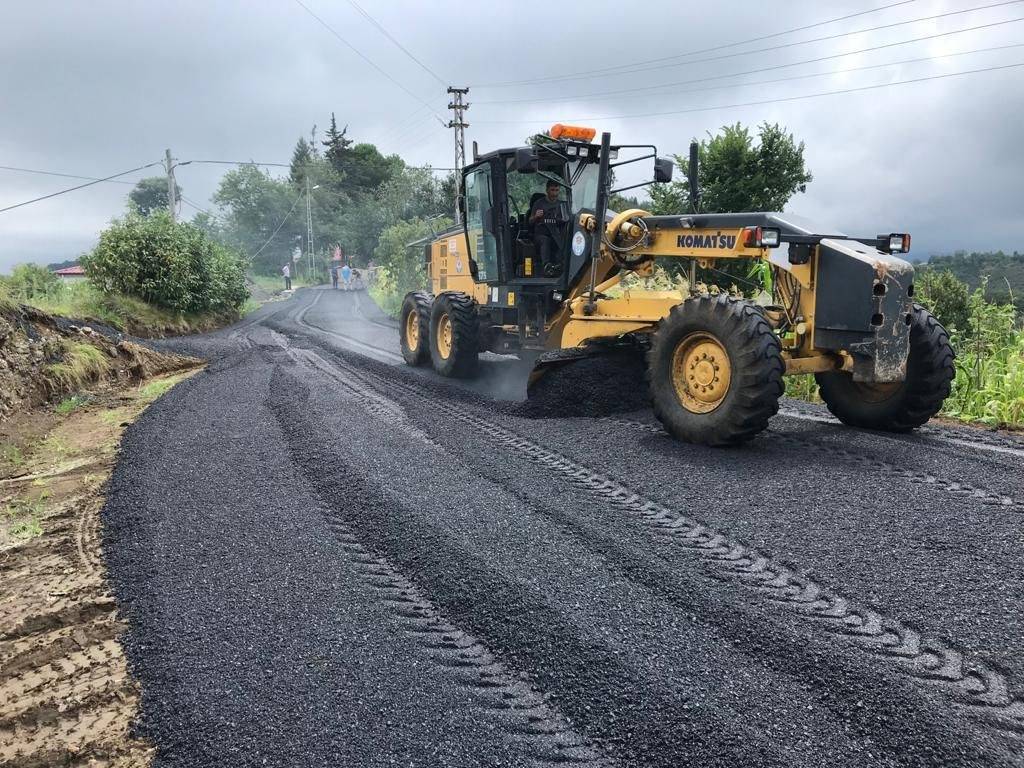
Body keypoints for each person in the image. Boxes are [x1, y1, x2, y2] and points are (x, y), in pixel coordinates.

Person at [530, 179, 568, 276]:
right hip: (541, 234)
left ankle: (562, 266)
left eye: (556, 190)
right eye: (552, 190)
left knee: (565, 240)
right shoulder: (539, 204)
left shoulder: (562, 205)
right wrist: (536, 216)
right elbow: (530, 222)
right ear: (547, 190)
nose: (554, 193)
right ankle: (547, 267)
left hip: (557, 234)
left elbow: (567, 220)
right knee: (545, 240)